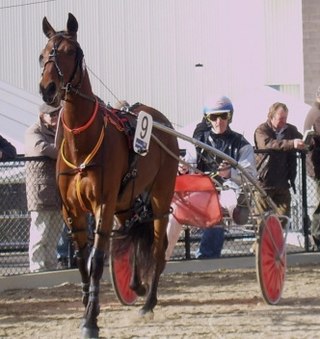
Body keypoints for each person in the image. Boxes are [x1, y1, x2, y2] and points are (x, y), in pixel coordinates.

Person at [166, 95, 257, 260]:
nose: (219, 121)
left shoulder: (241, 143)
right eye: (214, 117)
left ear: (230, 117)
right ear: (208, 118)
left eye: (223, 116)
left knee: (220, 208)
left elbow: (250, 174)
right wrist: (184, 169)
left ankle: (207, 255)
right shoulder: (199, 140)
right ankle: (162, 256)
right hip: (203, 191)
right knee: (175, 210)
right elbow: (190, 162)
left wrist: (230, 173)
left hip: (229, 191)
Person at [25, 102, 64, 272]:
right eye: (52, 115)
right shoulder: (33, 131)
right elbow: (42, 149)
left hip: (57, 190)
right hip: (40, 190)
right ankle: (37, 267)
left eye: (57, 114)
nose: (55, 117)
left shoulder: (59, 132)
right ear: (42, 115)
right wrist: (65, 151)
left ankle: (50, 265)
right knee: (40, 231)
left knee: (54, 234)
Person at [254, 102, 305, 226]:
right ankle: (260, 245)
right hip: (264, 182)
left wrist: (308, 142)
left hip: (283, 182)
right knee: (262, 223)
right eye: (280, 118)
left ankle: (277, 244)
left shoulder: (290, 130)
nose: (283, 121)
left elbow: (302, 140)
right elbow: (268, 144)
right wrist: (291, 144)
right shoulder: (262, 130)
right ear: (271, 116)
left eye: (285, 118)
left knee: (283, 218)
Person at [304, 88, 320, 250]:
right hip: (317, 165)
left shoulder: (314, 111)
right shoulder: (316, 113)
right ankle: (317, 237)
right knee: (319, 203)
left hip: (315, 164)